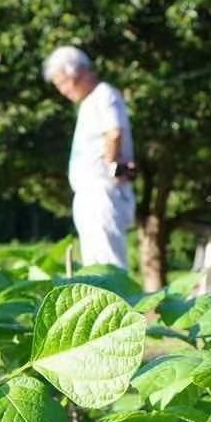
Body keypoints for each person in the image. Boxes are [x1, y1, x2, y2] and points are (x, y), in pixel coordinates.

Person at [42, 45, 135, 270]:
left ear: (79, 73)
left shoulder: (104, 94)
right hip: (90, 193)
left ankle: (117, 305)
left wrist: (111, 167)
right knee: (94, 267)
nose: (62, 90)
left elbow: (114, 132)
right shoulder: (89, 102)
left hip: (102, 191)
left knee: (108, 266)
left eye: (63, 82)